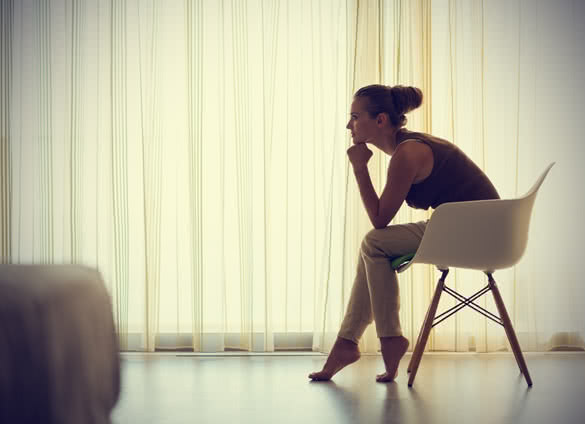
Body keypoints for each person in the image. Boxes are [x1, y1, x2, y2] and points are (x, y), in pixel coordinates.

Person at [308, 84, 499, 382]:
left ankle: (380, 339)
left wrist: (360, 169)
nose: (349, 124)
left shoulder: (408, 153)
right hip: (465, 226)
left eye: (355, 116)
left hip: (479, 232)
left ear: (381, 120)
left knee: (374, 243)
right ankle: (350, 344)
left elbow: (380, 220)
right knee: (374, 249)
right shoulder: (407, 147)